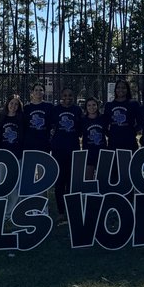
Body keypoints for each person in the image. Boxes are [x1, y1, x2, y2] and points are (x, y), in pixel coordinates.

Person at [51, 87, 83, 220]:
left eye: (70, 95)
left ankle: (70, 209)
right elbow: (52, 127)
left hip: (73, 149)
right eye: (65, 95)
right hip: (58, 149)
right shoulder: (56, 110)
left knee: (71, 181)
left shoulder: (77, 110)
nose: (67, 98)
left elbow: (80, 130)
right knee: (59, 181)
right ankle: (61, 211)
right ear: (61, 96)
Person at [104, 78, 140, 152]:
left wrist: (133, 132)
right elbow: (105, 123)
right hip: (113, 142)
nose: (121, 90)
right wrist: (110, 134)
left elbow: (140, 120)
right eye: (118, 87)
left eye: (123, 88)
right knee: (115, 163)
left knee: (129, 163)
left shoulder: (133, 104)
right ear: (115, 89)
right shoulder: (109, 105)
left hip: (129, 142)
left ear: (127, 90)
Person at [23, 83, 55, 154]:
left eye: (41, 90)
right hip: (29, 142)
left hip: (44, 142)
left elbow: (53, 123)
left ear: (44, 92)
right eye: (36, 90)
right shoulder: (27, 108)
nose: (38, 92)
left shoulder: (49, 106)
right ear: (32, 92)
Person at [82, 97, 106, 178]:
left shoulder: (103, 118)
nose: (91, 107)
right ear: (86, 107)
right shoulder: (83, 120)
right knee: (88, 178)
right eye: (89, 105)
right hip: (88, 152)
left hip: (101, 151)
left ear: (97, 106)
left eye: (94, 105)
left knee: (102, 179)